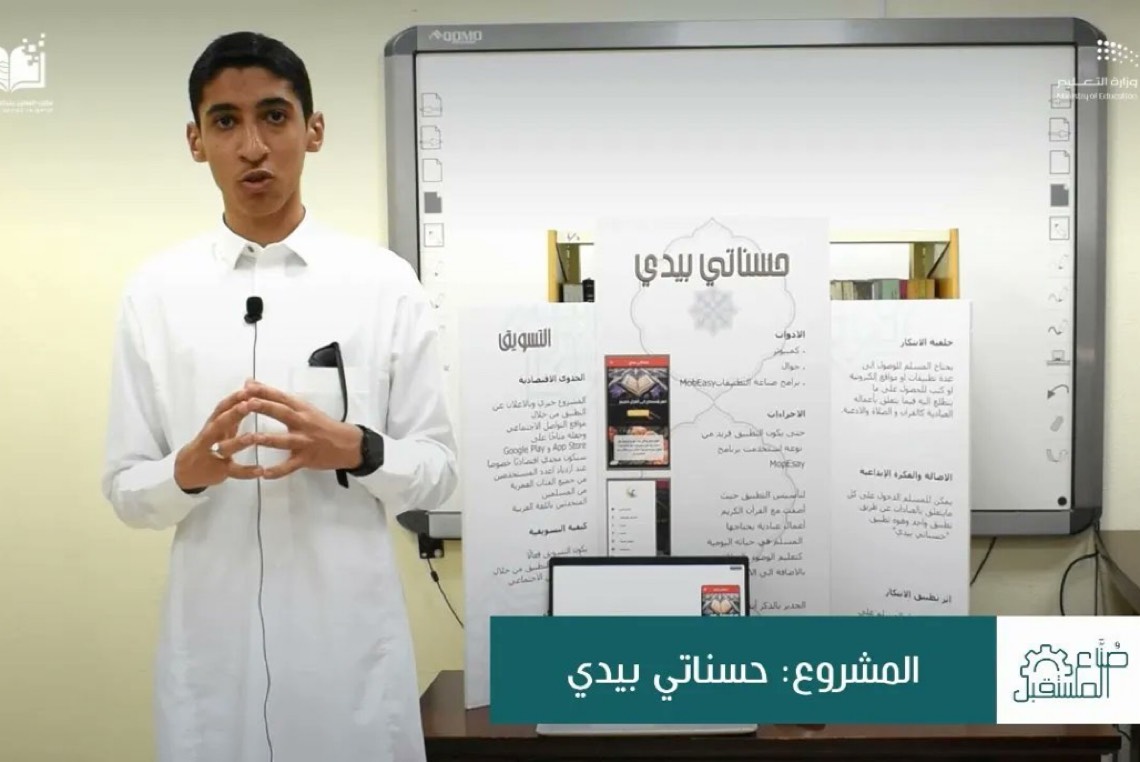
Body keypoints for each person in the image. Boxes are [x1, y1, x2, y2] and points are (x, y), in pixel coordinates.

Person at [100, 30, 458, 762]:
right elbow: (126, 489)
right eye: (225, 122)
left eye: (274, 115)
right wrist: (187, 472)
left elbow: (439, 468)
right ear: (197, 141)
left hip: (346, 651)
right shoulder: (156, 293)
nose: (253, 146)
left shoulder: (382, 283)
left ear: (313, 129)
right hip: (214, 655)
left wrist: (358, 450)